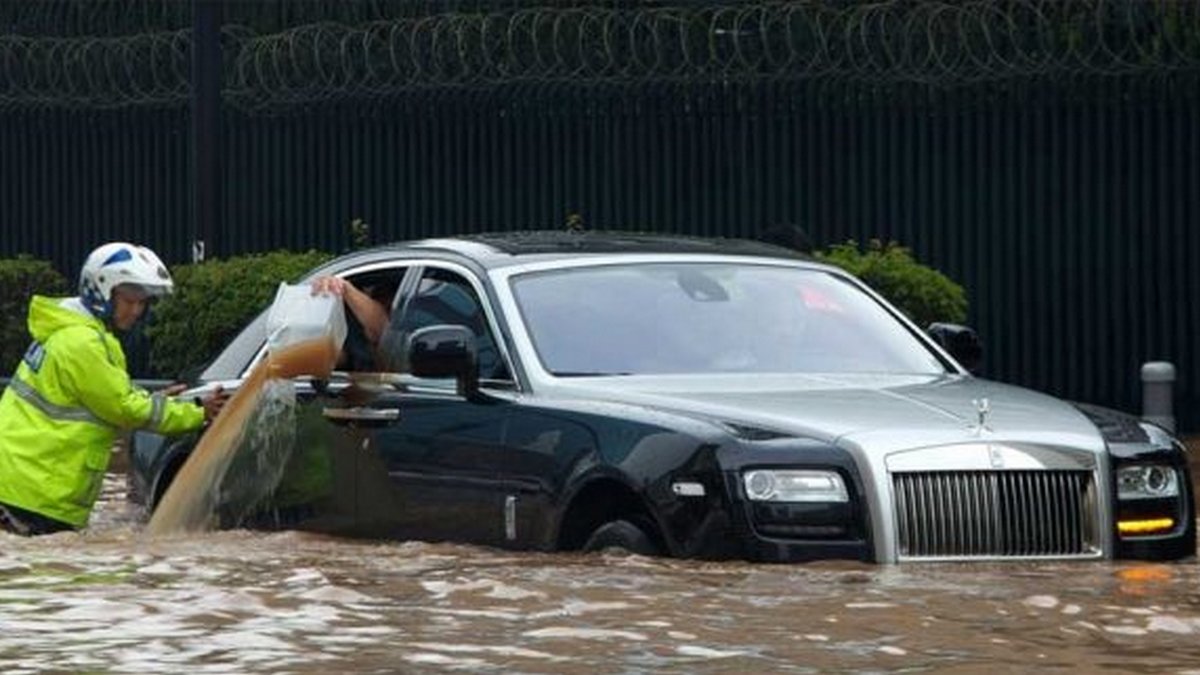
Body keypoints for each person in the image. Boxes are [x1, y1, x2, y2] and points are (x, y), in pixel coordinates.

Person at [0, 242, 228, 536]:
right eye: (129, 300)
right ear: (102, 292)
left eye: (142, 302)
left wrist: (154, 400)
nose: (136, 310)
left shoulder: (72, 333)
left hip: (23, 484)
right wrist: (198, 412)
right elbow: (123, 408)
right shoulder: (83, 343)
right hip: (33, 493)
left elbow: (103, 399)